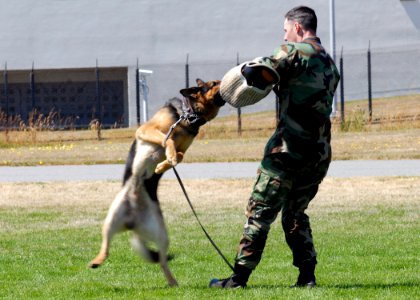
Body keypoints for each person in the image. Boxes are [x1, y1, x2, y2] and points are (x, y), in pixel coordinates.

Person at [210, 6, 340, 289]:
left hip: (286, 151)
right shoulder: (331, 64)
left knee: (259, 213)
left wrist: (216, 98)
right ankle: (307, 277)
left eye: (285, 30)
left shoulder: (292, 51)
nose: (284, 35)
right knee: (295, 214)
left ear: (297, 28)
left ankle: (238, 279)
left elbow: (257, 71)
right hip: (318, 153)